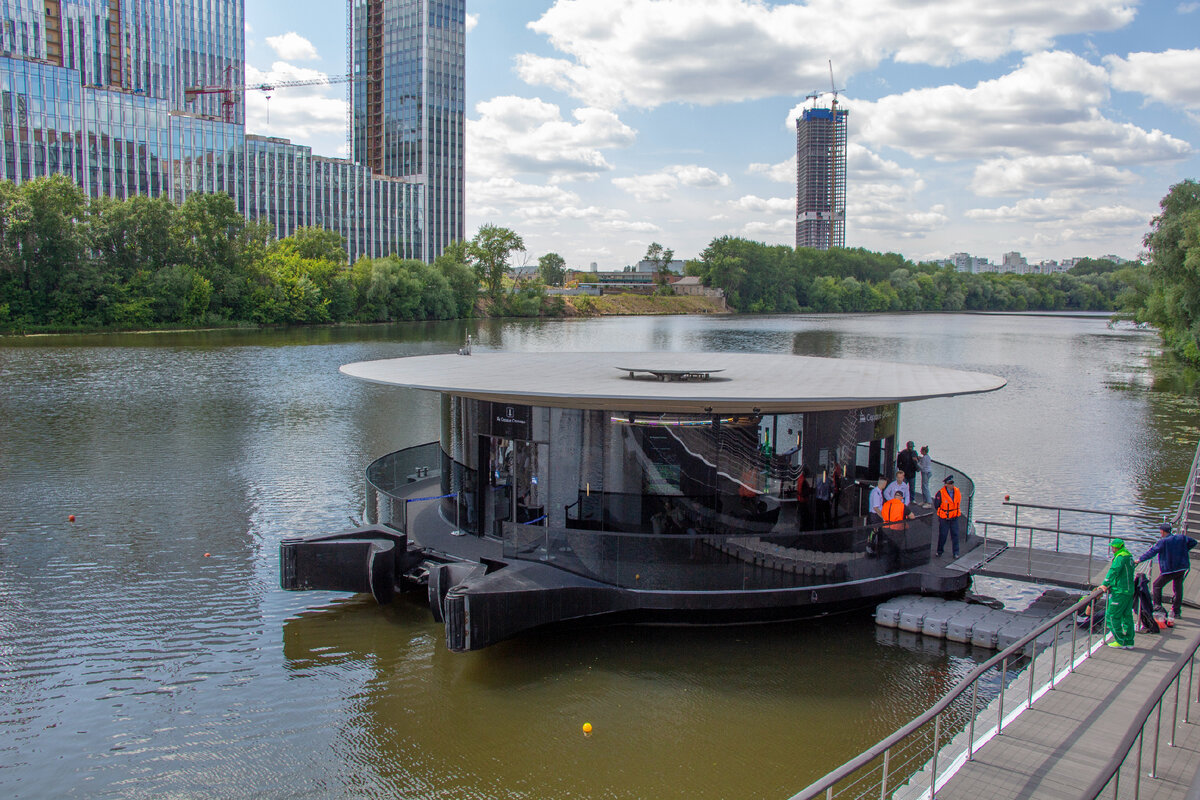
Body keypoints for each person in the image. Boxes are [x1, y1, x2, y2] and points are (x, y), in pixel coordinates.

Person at [1136, 522, 1198, 620]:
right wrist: (1184, 550)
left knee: (1157, 585)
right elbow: (1194, 542)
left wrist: (1139, 560)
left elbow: (1152, 552)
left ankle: (1157, 607)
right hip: (1181, 567)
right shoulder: (1181, 538)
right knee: (1178, 588)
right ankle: (1177, 611)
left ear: (1162, 531)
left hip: (1169, 569)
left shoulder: (1163, 542)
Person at [1099, 538, 1136, 649]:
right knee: (1127, 616)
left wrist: (1105, 583)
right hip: (1129, 590)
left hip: (1120, 591)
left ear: (1115, 547)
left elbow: (1114, 571)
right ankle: (1130, 641)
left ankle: (1120, 641)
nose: (1112, 549)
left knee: (1111, 616)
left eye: (1112, 547)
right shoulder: (1129, 555)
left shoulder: (1120, 557)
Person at [934, 475, 963, 558]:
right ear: (946, 484)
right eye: (949, 483)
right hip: (944, 518)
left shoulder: (957, 491)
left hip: (954, 517)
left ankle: (956, 552)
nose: (951, 485)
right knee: (943, 535)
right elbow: (937, 505)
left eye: (952, 483)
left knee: (955, 534)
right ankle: (939, 551)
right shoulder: (940, 493)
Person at [866, 477, 886, 554]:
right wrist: (883, 517)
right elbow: (876, 508)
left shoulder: (877, 492)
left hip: (875, 515)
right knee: (873, 531)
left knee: (876, 531)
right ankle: (870, 547)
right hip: (875, 515)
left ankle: (875, 546)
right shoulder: (876, 493)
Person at [795, 467, 813, 531]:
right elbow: (804, 492)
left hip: (800, 500)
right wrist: (810, 491)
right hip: (803, 501)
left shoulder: (800, 479)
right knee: (805, 516)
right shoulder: (803, 481)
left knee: (803, 516)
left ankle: (803, 528)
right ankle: (804, 529)